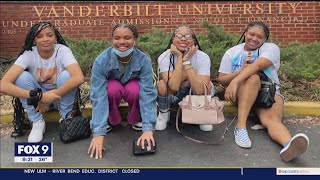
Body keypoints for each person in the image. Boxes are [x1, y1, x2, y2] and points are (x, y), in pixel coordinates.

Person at [217, 21, 309, 162]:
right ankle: (240, 127)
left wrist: (235, 80)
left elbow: (259, 65)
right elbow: (222, 79)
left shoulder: (271, 48)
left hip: (267, 93)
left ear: (265, 39)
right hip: (241, 93)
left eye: (259, 37)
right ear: (245, 33)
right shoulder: (232, 52)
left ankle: (288, 144)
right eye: (252, 34)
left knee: (272, 120)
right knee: (252, 78)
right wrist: (238, 74)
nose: (254, 39)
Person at [0, 21, 85, 142]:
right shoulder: (29, 54)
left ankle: (66, 118)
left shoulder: (62, 51)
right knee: (21, 77)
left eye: (49, 35)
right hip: (38, 104)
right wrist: (39, 97)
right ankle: (37, 121)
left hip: (59, 98)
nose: (45, 39)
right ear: (34, 40)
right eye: (39, 36)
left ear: (55, 38)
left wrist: (48, 98)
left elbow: (79, 77)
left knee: (67, 75)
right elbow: (3, 85)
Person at [88, 24, 157, 159]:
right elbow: (98, 95)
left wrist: (148, 129)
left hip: (132, 87)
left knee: (135, 90)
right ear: (112, 39)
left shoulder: (143, 60)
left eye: (127, 38)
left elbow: (148, 92)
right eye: (117, 38)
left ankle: (136, 118)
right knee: (111, 89)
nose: (122, 42)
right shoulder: (101, 60)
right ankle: (110, 119)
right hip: (114, 88)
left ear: (135, 39)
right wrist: (98, 133)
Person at [155, 25, 213, 131]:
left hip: (194, 96)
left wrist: (186, 62)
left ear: (194, 40)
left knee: (207, 85)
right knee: (162, 84)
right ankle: (164, 114)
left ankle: (202, 115)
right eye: (178, 36)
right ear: (173, 39)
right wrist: (180, 57)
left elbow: (201, 89)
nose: (183, 39)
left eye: (188, 36)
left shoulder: (203, 57)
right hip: (173, 96)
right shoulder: (164, 57)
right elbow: (173, 87)